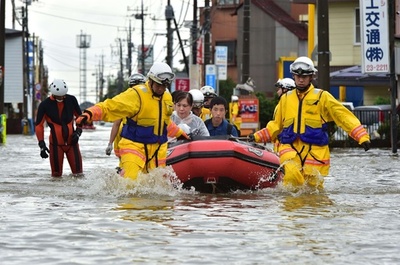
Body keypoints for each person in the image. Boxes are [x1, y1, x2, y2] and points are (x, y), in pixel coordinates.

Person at [248, 56, 371, 190]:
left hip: (315, 152)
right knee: (291, 179)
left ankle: (310, 210)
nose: (301, 79)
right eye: (298, 76)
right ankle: (291, 210)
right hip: (291, 149)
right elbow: (276, 125)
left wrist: (362, 137)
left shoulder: (322, 97)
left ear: (311, 77)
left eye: (305, 76)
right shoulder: (285, 99)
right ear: (294, 76)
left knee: (313, 189)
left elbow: (343, 116)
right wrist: (256, 136)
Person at [76, 62, 189, 180]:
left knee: (157, 188)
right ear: (150, 80)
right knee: (130, 185)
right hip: (134, 147)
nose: (161, 88)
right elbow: (111, 106)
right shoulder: (136, 95)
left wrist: (180, 134)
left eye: (164, 86)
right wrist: (89, 114)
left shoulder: (167, 97)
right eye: (158, 85)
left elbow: (164, 123)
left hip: (157, 151)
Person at [35, 79, 83, 177]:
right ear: (53, 93)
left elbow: (80, 117)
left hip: (72, 143)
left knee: (79, 174)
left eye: (63, 95)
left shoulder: (71, 100)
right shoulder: (44, 105)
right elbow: (39, 125)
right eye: (59, 96)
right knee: (56, 176)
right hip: (56, 145)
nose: (62, 97)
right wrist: (42, 145)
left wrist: (78, 132)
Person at [105, 73, 147, 158]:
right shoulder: (125, 102)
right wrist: (110, 143)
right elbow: (116, 124)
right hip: (128, 136)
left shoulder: (150, 101)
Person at [271, 78, 296, 153]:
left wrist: (259, 136)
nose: (277, 91)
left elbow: (276, 126)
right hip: (281, 143)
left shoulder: (287, 105)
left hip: (286, 144)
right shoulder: (282, 104)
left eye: (279, 89)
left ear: (285, 90)